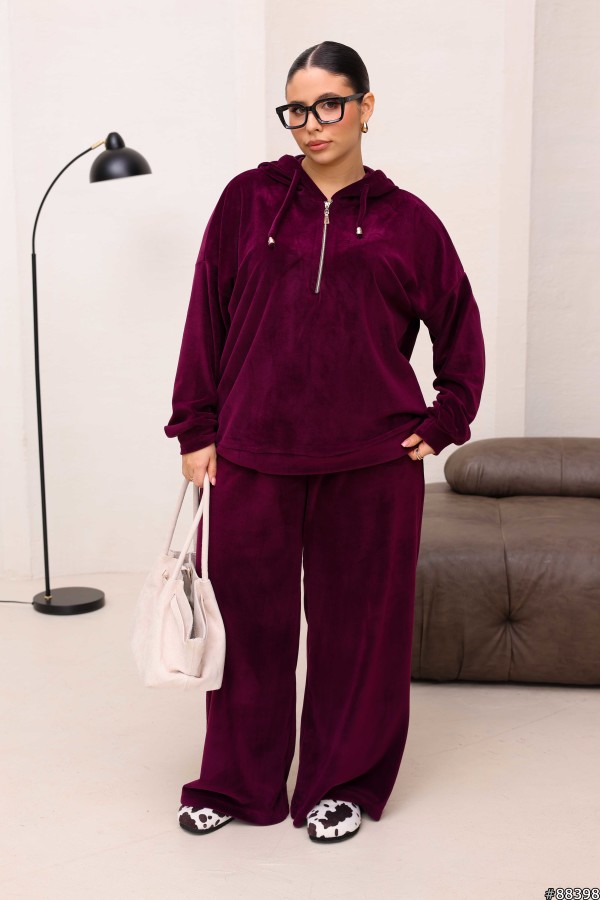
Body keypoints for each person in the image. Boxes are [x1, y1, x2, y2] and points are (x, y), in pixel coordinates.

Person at [165, 40, 485, 843]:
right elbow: (205, 317)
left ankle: (342, 785)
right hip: (251, 456)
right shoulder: (247, 202)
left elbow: (460, 329)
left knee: (359, 636)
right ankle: (238, 784)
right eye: (298, 109)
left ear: (365, 108)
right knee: (248, 632)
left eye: (330, 105)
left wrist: (443, 421)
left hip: (372, 466)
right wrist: (195, 426)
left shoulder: (410, 222)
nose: (313, 124)